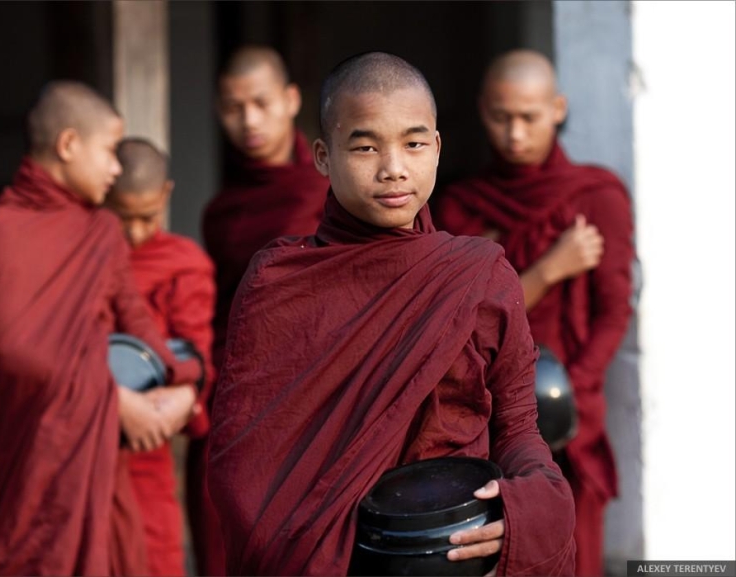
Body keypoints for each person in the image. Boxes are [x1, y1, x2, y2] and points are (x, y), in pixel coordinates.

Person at [207, 51, 576, 576]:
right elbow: (244, 465)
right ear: (322, 156)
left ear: (438, 148)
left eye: (414, 143)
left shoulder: (479, 275)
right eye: (364, 146)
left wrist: (526, 508)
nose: (393, 168)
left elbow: (518, 429)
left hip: (455, 555)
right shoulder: (278, 281)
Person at [0, 81, 202, 576]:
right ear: (68, 145)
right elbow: (14, 353)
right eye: (110, 151)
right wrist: (118, 402)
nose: (117, 168)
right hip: (33, 451)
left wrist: (186, 378)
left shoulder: (100, 231)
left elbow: (135, 318)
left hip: (94, 457)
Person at [434, 49, 635, 577]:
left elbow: (614, 311)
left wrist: (579, 387)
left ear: (558, 108)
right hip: (486, 408)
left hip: (569, 411)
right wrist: (548, 270)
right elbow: (468, 324)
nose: (515, 133)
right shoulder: (462, 206)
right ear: (482, 111)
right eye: (502, 117)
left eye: (529, 116)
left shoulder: (596, 196)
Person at [196, 44, 329, 575]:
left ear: (291, 100)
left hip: (309, 394)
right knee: (221, 542)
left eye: (261, 103)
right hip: (231, 392)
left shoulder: (328, 190)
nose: (248, 120)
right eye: (233, 107)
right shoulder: (221, 210)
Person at [105, 138, 217, 577]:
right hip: (78, 442)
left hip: (144, 444)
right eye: (121, 217)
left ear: (167, 194)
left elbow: (193, 352)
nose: (134, 233)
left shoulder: (182, 263)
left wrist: (178, 402)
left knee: (154, 557)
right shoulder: (82, 257)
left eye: (146, 217)